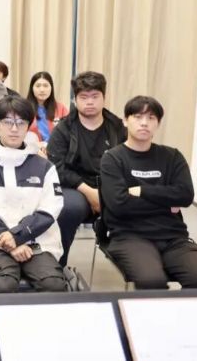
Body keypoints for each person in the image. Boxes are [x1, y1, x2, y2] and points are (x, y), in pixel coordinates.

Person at [100, 96, 197, 293]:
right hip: (130, 235)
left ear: (158, 123)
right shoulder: (112, 159)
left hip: (173, 237)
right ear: (125, 121)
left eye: (151, 118)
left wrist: (142, 190)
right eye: (138, 117)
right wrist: (166, 203)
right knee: (152, 282)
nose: (144, 123)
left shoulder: (172, 156)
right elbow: (119, 204)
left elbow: (185, 195)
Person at [0, 96, 66, 294]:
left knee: (54, 285)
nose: (14, 129)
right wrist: (11, 243)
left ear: (28, 127)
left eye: (21, 122)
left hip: (36, 241)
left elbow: (50, 210)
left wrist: (17, 236)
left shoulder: (45, 167)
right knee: (4, 285)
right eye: (8, 122)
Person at [47, 71, 126, 266]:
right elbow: (57, 168)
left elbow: (128, 163)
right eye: (83, 97)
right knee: (68, 209)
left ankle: (139, 265)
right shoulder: (63, 129)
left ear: (104, 97)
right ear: (75, 100)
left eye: (95, 96)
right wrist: (89, 191)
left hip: (111, 187)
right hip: (75, 188)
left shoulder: (118, 127)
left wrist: (106, 193)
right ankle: (57, 267)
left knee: (142, 206)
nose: (89, 102)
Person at [26, 71, 69, 148]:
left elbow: (69, 132)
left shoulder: (61, 108)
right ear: (32, 88)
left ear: (51, 88)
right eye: (38, 86)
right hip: (32, 150)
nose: (42, 90)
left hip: (57, 150)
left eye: (46, 86)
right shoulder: (24, 108)